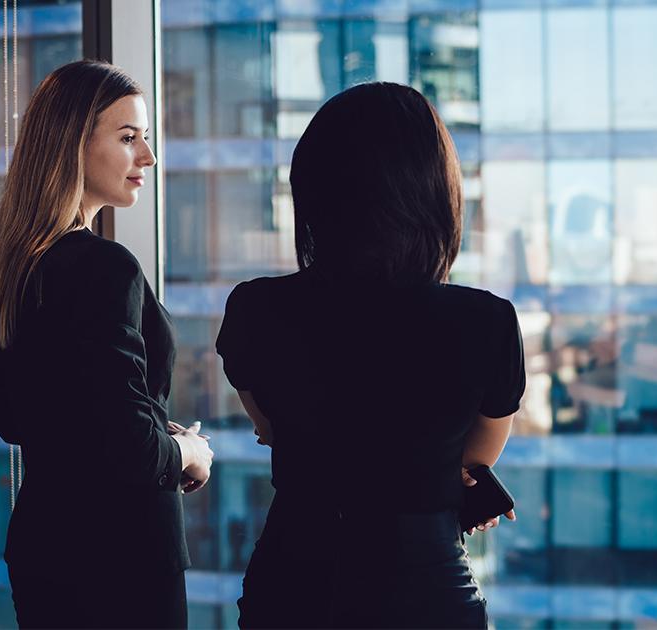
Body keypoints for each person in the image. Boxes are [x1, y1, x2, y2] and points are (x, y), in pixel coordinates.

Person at [216, 82, 526, 628]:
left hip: (294, 584)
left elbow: (273, 426)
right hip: (425, 586)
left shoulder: (256, 308)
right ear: (435, 194)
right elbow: (475, 458)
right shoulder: (485, 321)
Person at [0, 60, 214, 629]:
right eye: (128, 137)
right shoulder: (103, 268)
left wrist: (147, 429)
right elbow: (128, 444)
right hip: (121, 561)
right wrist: (187, 453)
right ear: (71, 144)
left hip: (47, 550)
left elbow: (20, 417)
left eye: (146, 139)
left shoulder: (25, 266)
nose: (147, 158)